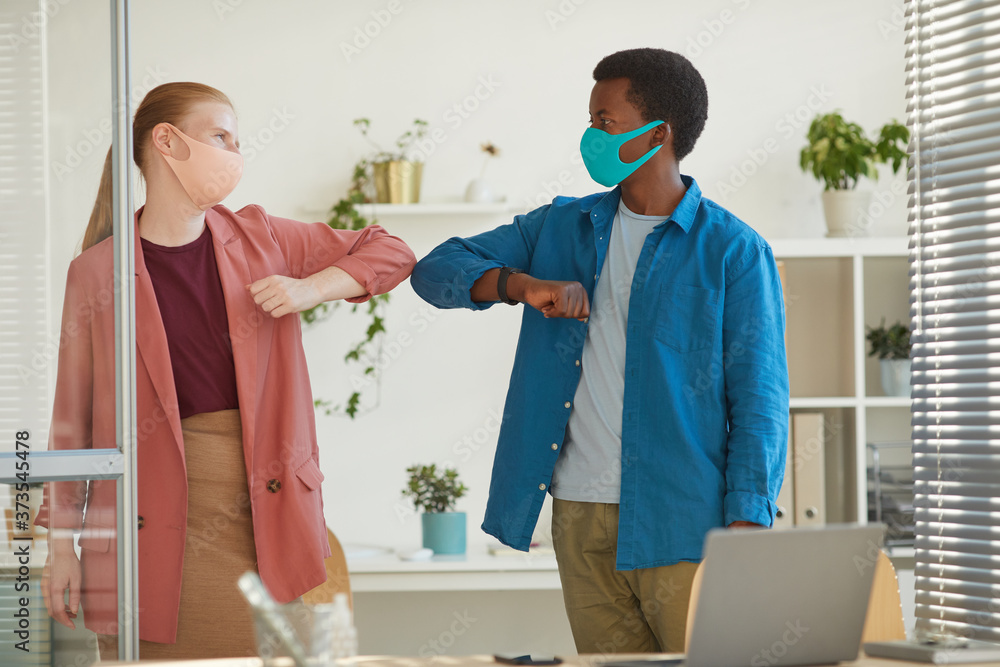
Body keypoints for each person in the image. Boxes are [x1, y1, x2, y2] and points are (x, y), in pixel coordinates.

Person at [410, 48, 788, 654]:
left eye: (604, 123)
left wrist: (747, 521)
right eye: (589, 121)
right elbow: (436, 269)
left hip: (687, 520)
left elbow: (760, 399)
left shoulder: (734, 251)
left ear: (658, 133)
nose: (590, 136)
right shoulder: (557, 227)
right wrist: (522, 285)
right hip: (579, 516)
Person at [36, 81, 416, 661]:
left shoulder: (262, 237)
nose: (234, 154)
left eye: (237, 142)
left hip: (267, 520)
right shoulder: (96, 273)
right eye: (221, 137)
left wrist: (309, 288)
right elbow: (72, 422)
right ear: (167, 141)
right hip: (150, 532)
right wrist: (61, 548)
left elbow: (390, 251)